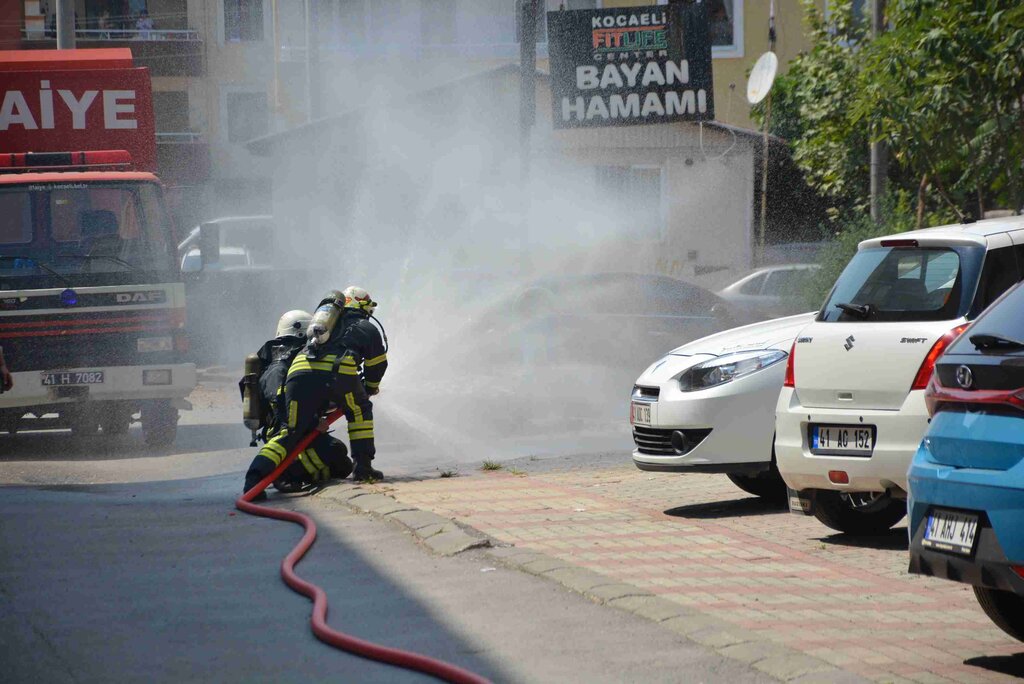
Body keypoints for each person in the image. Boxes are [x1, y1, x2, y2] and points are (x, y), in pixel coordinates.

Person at [245, 286, 388, 492]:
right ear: (362, 307)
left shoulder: (324, 326)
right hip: (338, 370)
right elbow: (377, 365)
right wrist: (369, 388)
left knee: (290, 431)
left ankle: (253, 480)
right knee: (359, 411)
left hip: (299, 371)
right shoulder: (365, 327)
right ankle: (363, 469)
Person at [242, 310, 353, 500]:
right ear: (301, 333)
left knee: (340, 458)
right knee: (335, 457)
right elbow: (283, 406)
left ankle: (290, 470)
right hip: (284, 431)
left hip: (301, 428)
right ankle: (280, 474)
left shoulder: (293, 361)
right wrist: (313, 423)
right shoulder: (278, 368)